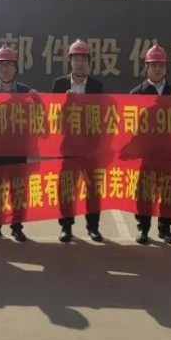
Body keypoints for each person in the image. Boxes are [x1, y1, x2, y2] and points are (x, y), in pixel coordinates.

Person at [52, 39, 105, 243]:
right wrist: (65, 104)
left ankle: (93, 227)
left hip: (91, 148)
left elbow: (102, 116)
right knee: (67, 187)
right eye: (76, 59)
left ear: (89, 63)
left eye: (83, 59)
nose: (80, 64)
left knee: (93, 188)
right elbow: (52, 116)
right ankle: (66, 227)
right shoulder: (60, 85)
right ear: (70, 62)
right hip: (68, 147)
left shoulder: (97, 86)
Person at [131, 44, 171, 245]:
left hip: (169, 153)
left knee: (168, 192)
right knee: (145, 192)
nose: (158, 69)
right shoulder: (136, 94)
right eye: (153, 65)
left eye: (161, 65)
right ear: (146, 67)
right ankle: (143, 229)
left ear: (166, 68)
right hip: (147, 154)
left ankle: (165, 228)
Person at [0, 46, 31, 242]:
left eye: (9, 64)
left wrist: (37, 101)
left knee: (17, 190)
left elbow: (37, 120)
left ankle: (17, 227)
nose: (5, 68)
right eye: (1, 64)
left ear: (16, 68)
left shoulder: (26, 92)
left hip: (18, 149)